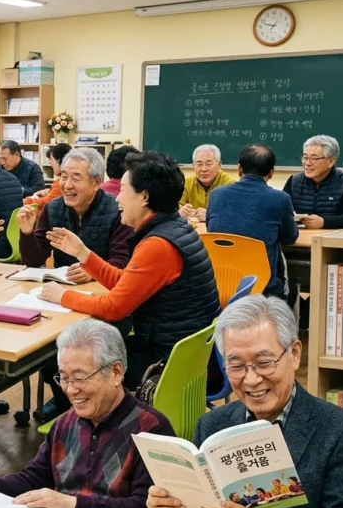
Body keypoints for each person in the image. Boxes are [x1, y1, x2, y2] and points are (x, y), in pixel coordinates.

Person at [148, 296, 343, 508]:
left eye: (264, 363)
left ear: (294, 354)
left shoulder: (340, 431)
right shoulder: (213, 425)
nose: (251, 379)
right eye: (236, 366)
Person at [0, 320, 175, 508]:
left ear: (116, 372)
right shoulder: (65, 423)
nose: (71, 390)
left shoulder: (152, 430)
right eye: (64, 378)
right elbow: (34, 479)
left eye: (80, 378)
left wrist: (70, 504)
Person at [40, 151, 220, 389]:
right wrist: (84, 254)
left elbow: (114, 308)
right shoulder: (174, 227)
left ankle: (81, 412)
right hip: (185, 353)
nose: (117, 198)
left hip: (166, 362)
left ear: (144, 197)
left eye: (123, 190)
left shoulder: (158, 245)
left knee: (63, 363)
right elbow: (127, 281)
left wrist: (63, 296)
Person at [18, 148, 133, 419]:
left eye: (76, 178)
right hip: (62, 297)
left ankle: (92, 403)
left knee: (82, 348)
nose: (67, 185)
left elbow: (121, 261)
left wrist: (92, 271)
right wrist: (27, 233)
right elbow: (35, 259)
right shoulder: (53, 208)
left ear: (96, 182)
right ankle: (63, 399)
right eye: (63, 177)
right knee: (45, 347)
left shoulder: (116, 210)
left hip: (104, 303)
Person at [206, 144, 298, 298]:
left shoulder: (216, 194)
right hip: (263, 287)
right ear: (271, 172)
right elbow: (290, 238)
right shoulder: (280, 199)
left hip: (220, 282)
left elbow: (211, 229)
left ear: (239, 169)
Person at [283, 135, 343, 229]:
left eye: (314, 159)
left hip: (333, 235)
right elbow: (281, 210)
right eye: (305, 157)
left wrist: (324, 222)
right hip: (300, 234)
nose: (307, 163)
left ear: (331, 161)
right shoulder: (294, 181)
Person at [178, 144, 234, 222]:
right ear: (193, 166)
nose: (204, 169)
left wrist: (211, 215)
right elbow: (174, 206)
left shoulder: (230, 185)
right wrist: (180, 211)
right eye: (199, 164)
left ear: (219, 164)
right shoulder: (186, 183)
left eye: (209, 164)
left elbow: (234, 213)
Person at [23, 143, 72, 207]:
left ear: (59, 161)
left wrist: (25, 201)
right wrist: (48, 192)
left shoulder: (62, 182)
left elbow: (47, 203)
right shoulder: (65, 180)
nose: (50, 163)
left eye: (51, 159)